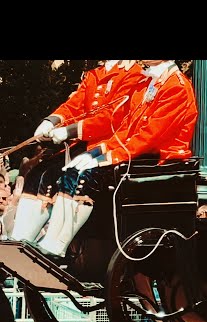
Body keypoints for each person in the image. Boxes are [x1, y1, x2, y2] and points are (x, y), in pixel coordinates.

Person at [32, 60, 198, 262]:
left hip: (158, 159)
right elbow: (127, 129)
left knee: (86, 174)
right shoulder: (147, 83)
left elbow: (149, 137)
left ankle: (58, 245)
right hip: (136, 152)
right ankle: (52, 240)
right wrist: (98, 150)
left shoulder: (176, 87)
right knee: (73, 168)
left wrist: (107, 157)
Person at [10, 60, 146, 244]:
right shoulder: (94, 75)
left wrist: (70, 131)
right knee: (39, 174)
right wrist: (52, 121)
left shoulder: (135, 74)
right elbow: (74, 106)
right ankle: (20, 241)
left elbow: (112, 118)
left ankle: (54, 245)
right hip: (85, 143)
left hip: (111, 144)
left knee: (75, 177)